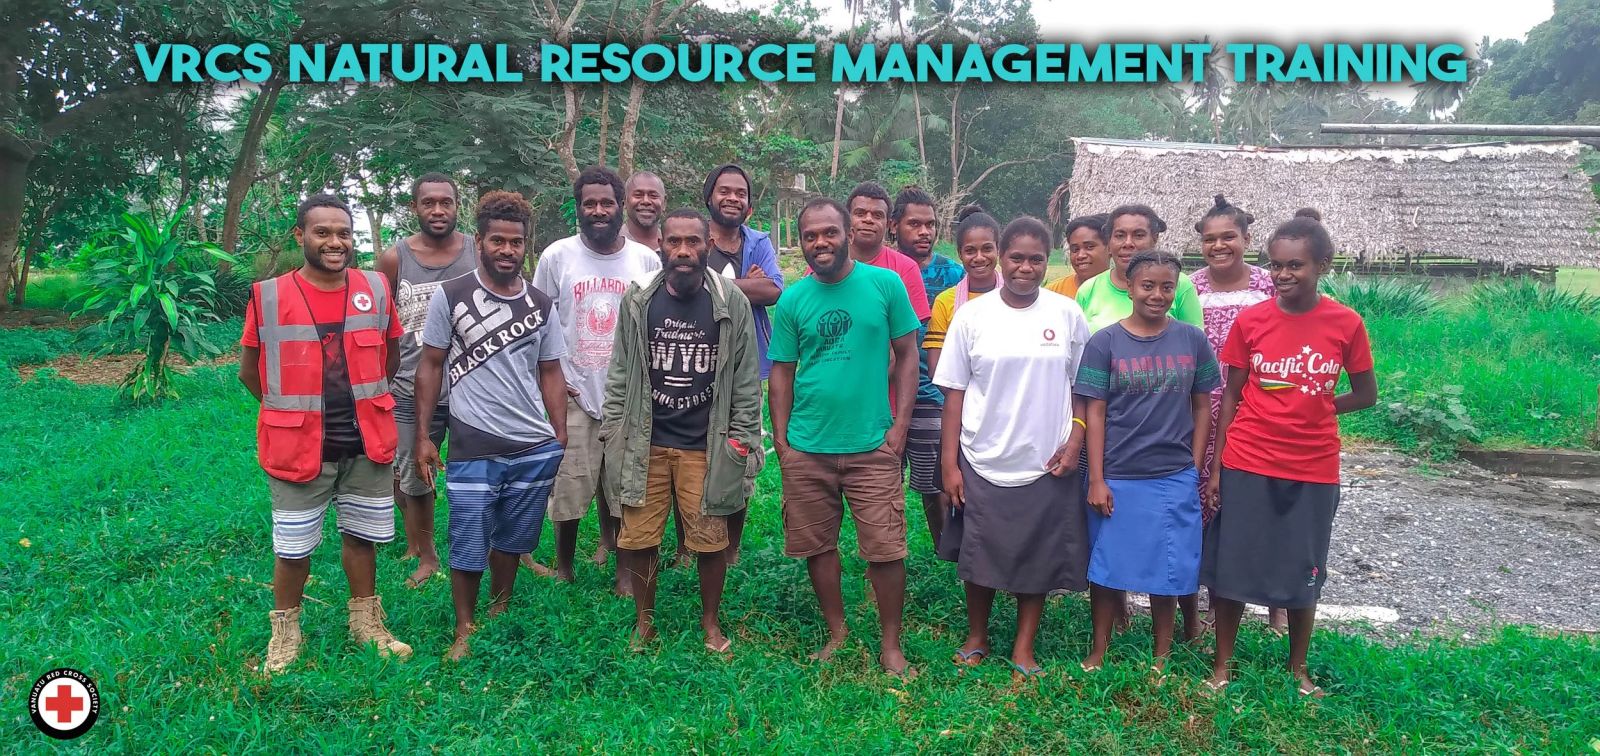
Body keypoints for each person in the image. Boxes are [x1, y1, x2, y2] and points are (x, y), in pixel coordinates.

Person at [1201, 208, 1378, 698]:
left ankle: (1298, 668)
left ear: (1322, 264)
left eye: (1295, 266)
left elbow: (1366, 394)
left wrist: (1319, 406)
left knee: (1305, 569)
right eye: (1276, 265)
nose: (1282, 275)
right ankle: (1222, 665)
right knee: (1234, 567)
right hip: (1248, 459)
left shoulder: (1346, 324)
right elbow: (1232, 395)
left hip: (1313, 465)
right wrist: (1217, 467)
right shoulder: (1251, 320)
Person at [240, 193, 411, 673]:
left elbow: (389, 356)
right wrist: (293, 414)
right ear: (300, 236)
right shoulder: (268, 295)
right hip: (298, 445)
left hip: (366, 441)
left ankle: (367, 625)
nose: (335, 242)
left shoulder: (375, 287)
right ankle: (286, 635)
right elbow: (251, 372)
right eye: (323, 232)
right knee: (293, 548)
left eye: (343, 233)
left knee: (362, 537)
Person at [934, 215, 1092, 680]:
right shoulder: (971, 316)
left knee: (1037, 555)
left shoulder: (1066, 315)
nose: (1026, 267)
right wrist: (949, 463)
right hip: (981, 455)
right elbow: (954, 393)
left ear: (1049, 261)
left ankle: (1024, 647)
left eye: (1036, 259)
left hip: (1046, 460)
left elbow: (1082, 387)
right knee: (978, 552)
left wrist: (1075, 439)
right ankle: (977, 636)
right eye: (1017, 258)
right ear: (1002, 259)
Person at [413, 191, 569, 661]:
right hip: (472, 444)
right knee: (468, 534)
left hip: (531, 444)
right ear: (479, 241)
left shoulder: (541, 304)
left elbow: (551, 369)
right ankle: (464, 626)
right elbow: (431, 364)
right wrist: (423, 435)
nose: (506, 250)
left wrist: (558, 435)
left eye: (515, 242)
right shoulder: (452, 295)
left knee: (515, 536)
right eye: (497, 240)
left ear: (526, 245)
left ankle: (499, 609)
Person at [769, 197, 921, 677]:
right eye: (810, 235)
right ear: (801, 241)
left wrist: (899, 429)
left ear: (848, 232)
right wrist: (782, 441)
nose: (820, 243)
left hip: (872, 444)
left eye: (829, 232)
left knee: (885, 547)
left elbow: (909, 356)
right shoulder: (794, 299)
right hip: (808, 446)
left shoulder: (885, 284)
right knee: (817, 544)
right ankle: (838, 632)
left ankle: (890, 644)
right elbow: (782, 374)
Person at [601, 209, 762, 653]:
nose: (684, 251)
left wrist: (741, 437)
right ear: (661, 246)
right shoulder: (638, 301)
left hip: (705, 443)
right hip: (645, 440)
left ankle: (710, 623)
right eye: (675, 242)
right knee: (639, 537)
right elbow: (620, 373)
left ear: (708, 244)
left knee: (711, 539)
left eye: (693, 242)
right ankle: (644, 622)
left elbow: (746, 379)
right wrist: (614, 430)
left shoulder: (731, 302)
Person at [1075, 250, 1219, 673]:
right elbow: (1094, 412)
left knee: (1168, 570)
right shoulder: (1105, 343)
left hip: (1171, 475)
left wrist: (1192, 464)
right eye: (1147, 286)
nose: (1157, 295)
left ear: (1176, 291)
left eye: (1166, 287)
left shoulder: (1191, 339)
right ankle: (1098, 650)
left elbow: (1202, 406)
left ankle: (1162, 655)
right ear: (1130, 287)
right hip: (1118, 473)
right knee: (1105, 568)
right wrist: (1097, 478)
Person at [531, 166, 662, 590]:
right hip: (571, 390)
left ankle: (626, 574)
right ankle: (565, 567)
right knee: (569, 485)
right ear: (579, 208)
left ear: (620, 206)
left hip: (628, 393)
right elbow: (540, 322)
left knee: (624, 484)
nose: (599, 210)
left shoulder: (644, 259)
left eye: (607, 202)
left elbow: (656, 321)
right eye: (590, 203)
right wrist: (548, 380)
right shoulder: (556, 256)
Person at [1188, 194, 1285, 634]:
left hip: (1258, 410)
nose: (1218, 245)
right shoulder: (1190, 287)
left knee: (1259, 502)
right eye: (1210, 239)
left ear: (1248, 238)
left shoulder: (1270, 285)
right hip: (1201, 410)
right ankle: (1215, 592)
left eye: (1228, 236)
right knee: (1206, 500)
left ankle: (1276, 602)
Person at [377, 172, 478, 590]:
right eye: (429, 203)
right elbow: (381, 324)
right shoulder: (393, 258)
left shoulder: (477, 249)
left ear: (458, 206)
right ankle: (426, 554)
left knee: (485, 471)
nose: (438, 210)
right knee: (415, 473)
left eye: (446, 202)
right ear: (414, 208)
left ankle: (511, 550)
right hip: (409, 385)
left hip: (473, 384)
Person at [701, 164, 785, 565]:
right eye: (724, 190)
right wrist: (743, 286)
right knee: (693, 455)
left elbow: (772, 289)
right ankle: (691, 545)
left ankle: (730, 548)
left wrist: (709, 283)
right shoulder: (694, 238)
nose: (733, 197)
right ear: (709, 196)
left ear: (749, 204)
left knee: (742, 455)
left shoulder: (759, 241)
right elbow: (679, 282)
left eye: (741, 192)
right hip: (696, 363)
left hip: (747, 367)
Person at [892, 186, 963, 551]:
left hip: (934, 393)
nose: (924, 232)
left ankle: (944, 551)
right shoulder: (883, 269)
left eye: (930, 224)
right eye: (914, 224)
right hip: (885, 392)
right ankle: (889, 553)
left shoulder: (955, 274)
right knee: (887, 481)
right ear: (895, 226)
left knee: (934, 482)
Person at [1075, 205, 1204, 332]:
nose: (1128, 243)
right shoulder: (1088, 290)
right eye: (1120, 236)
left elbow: (1194, 342)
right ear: (1109, 241)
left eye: (1138, 235)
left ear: (1154, 239)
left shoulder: (1179, 284)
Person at [1045, 213, 1111, 297]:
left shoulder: (1128, 292)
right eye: (1075, 249)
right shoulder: (1053, 293)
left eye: (1089, 247)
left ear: (1110, 248)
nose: (1080, 255)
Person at [622, 171, 665, 251]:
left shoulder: (672, 246)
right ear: (625, 201)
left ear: (664, 203)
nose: (646, 201)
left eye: (653, 196)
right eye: (638, 195)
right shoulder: (612, 245)